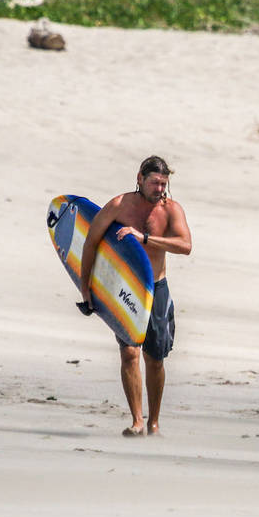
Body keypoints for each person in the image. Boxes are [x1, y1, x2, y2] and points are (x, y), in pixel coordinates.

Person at [79, 156, 192, 437]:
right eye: (154, 182)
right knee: (129, 353)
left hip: (156, 287)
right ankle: (137, 421)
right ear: (140, 177)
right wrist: (86, 288)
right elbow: (91, 242)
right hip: (124, 288)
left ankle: (153, 422)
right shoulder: (119, 205)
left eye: (164, 184)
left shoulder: (171, 209)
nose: (159, 189)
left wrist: (143, 238)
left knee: (155, 358)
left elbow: (185, 245)